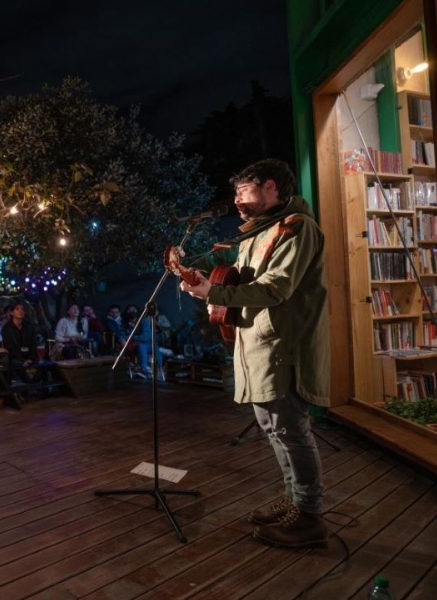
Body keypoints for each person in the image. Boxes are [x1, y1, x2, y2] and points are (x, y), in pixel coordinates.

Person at [181, 158, 330, 549]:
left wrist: (212, 292)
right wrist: (205, 280)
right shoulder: (258, 232)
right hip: (259, 346)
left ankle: (310, 515)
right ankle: (293, 501)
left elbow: (274, 288)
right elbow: (244, 279)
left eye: (243, 192)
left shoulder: (297, 229)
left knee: (292, 431)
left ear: (269, 187)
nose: (236, 201)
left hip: (283, 347)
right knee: (273, 429)